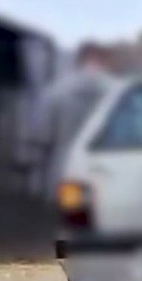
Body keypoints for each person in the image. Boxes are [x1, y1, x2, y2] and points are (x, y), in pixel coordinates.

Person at [39, 42, 118, 194]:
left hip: (61, 167)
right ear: (104, 60)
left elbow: (43, 136)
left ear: (78, 59)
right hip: (102, 172)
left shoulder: (57, 90)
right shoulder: (117, 91)